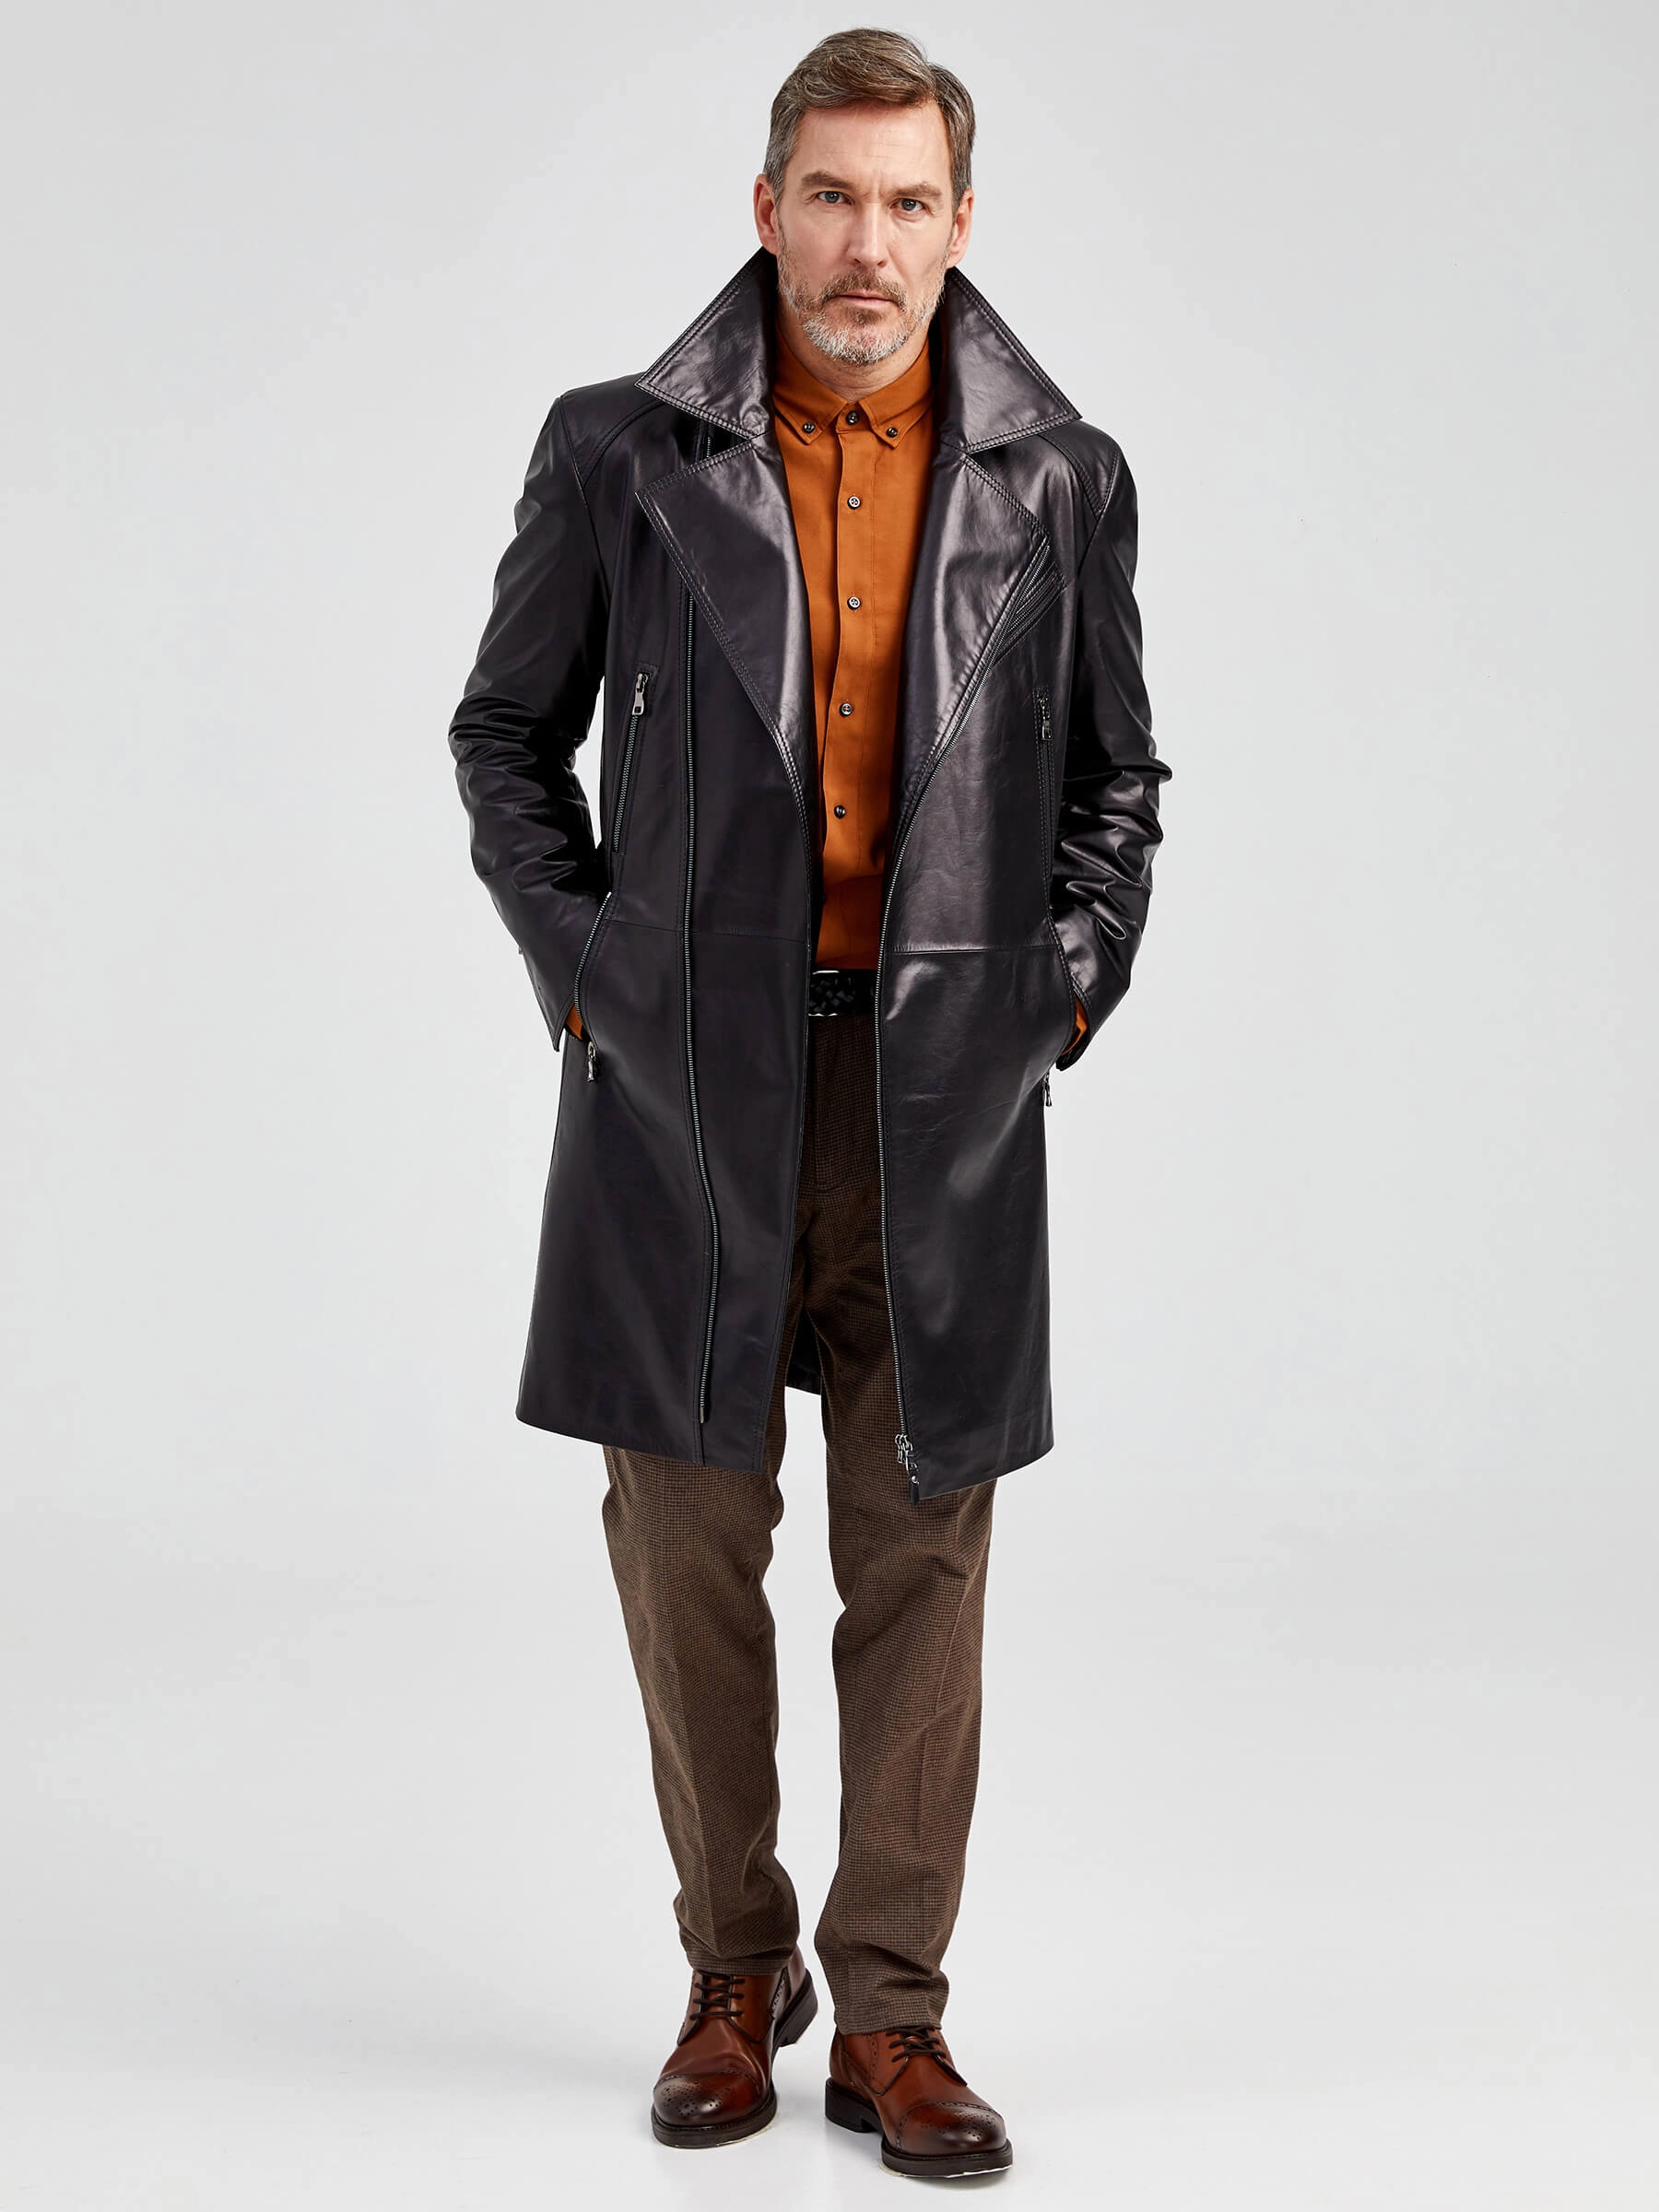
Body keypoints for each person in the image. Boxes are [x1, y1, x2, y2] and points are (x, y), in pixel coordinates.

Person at [448, 26, 1168, 2179]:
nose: (871, 241)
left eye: (909, 200)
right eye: (834, 195)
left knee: (922, 1552)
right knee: (684, 1537)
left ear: (963, 222)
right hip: (683, 1085)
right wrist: (596, 978)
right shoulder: (621, 451)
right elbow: (504, 739)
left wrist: (1056, 990)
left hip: (937, 1098)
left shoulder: (1061, 478)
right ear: (766, 209)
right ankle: (731, 1973)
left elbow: (1117, 779)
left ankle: (897, 2020)